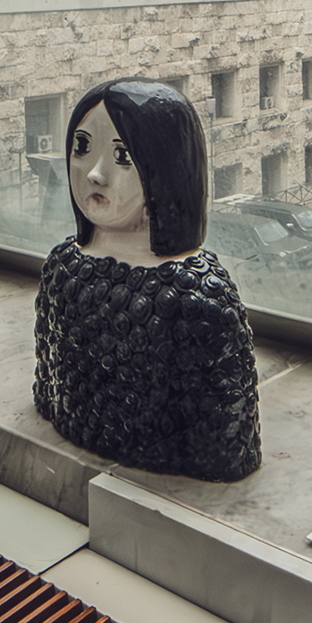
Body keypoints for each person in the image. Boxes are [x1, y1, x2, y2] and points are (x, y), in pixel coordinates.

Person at [32, 77, 261, 479]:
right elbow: (49, 385)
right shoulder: (62, 266)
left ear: (166, 168)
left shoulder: (195, 296)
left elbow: (225, 438)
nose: (95, 174)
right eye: (82, 147)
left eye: (123, 155)